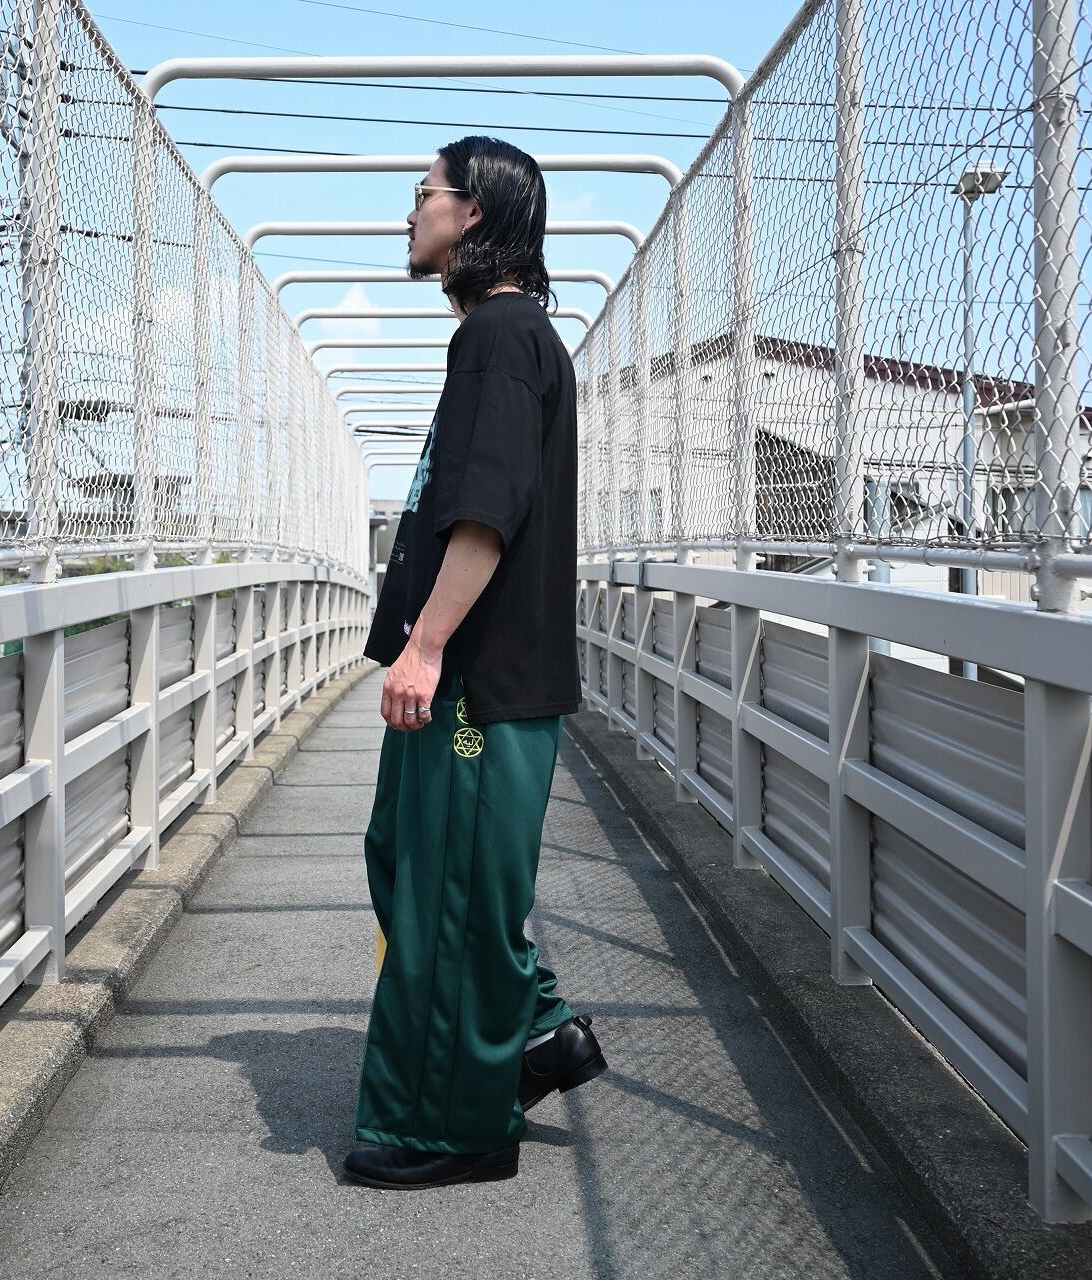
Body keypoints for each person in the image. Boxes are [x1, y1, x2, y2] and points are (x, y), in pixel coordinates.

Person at [343, 136, 608, 1192]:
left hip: (473, 686)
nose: (409, 214)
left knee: (449, 899)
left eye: (424, 195)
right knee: (405, 860)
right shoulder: (502, 336)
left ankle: (453, 1128)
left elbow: (484, 514)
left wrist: (424, 646)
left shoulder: (499, 338)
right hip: (471, 681)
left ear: (476, 215)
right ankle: (536, 1033)